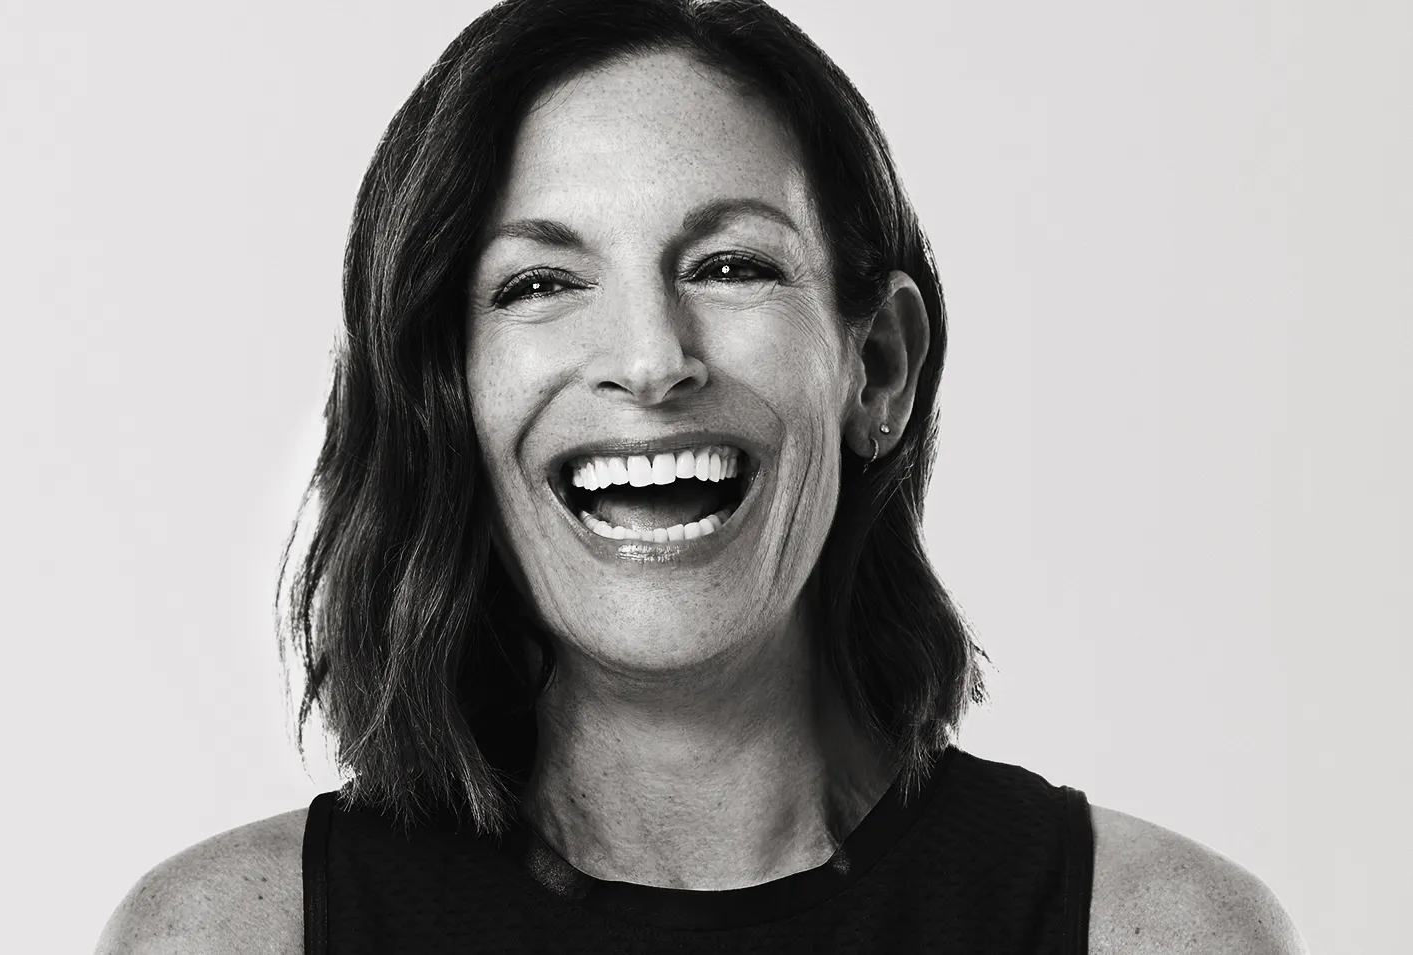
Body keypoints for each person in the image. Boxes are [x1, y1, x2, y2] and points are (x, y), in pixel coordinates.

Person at [96, 1, 1308, 951]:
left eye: (732, 266)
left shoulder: (1160, 930)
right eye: (538, 283)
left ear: (877, 366)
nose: (650, 359)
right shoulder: (227, 935)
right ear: (446, 394)